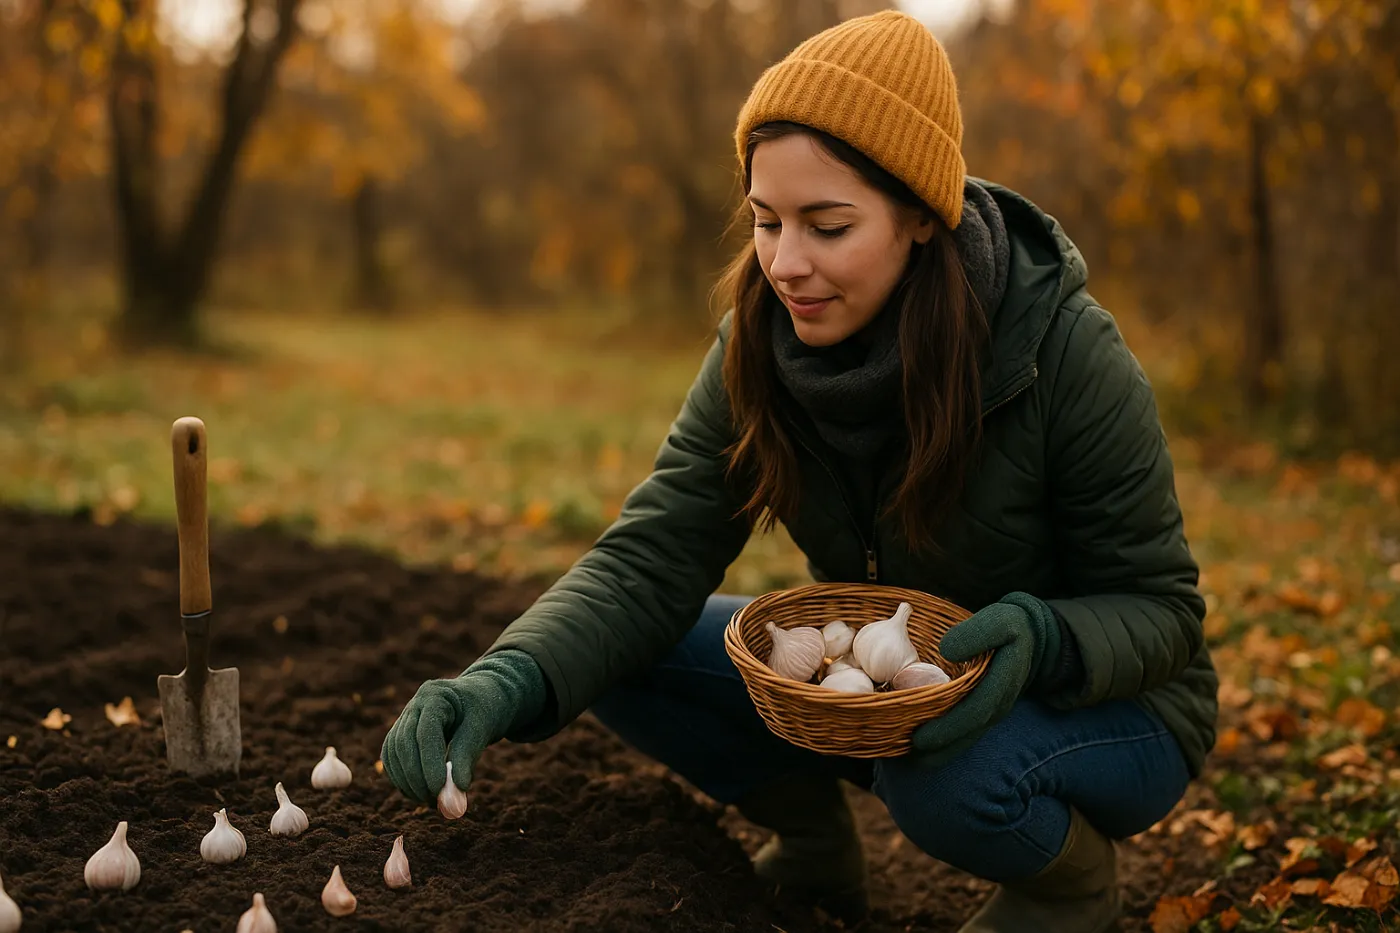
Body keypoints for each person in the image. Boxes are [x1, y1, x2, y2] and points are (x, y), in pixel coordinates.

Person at [380, 11, 1218, 933]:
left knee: (941, 773)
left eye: (827, 225)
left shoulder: (1063, 353)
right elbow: (650, 559)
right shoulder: (759, 344)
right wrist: (505, 679)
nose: (784, 263)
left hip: (1100, 707)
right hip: (881, 694)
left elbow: (1163, 611)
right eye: (765, 220)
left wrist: (1040, 638)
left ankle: (1067, 886)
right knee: (622, 649)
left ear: (920, 220)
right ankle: (818, 844)